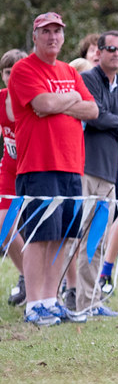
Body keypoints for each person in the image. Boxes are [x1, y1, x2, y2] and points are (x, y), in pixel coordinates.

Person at [10, 12, 98, 326]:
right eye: (45, 32)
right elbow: (41, 105)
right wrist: (69, 99)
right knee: (38, 235)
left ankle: (51, 299)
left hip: (71, 164)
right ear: (34, 36)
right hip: (38, 165)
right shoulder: (23, 69)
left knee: (62, 236)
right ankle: (34, 304)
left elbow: (92, 109)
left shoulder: (68, 72)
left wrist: (64, 99)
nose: (52, 37)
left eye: (57, 32)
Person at [76, 30, 118, 317]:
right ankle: (70, 300)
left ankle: (92, 301)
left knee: (98, 241)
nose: (115, 53)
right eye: (110, 48)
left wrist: (109, 119)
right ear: (98, 51)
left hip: (110, 175)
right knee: (78, 239)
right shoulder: (88, 79)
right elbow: (94, 115)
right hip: (86, 169)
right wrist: (116, 120)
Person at [1, 49, 28, 307]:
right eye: (8, 72)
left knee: (38, 230)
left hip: (34, 170)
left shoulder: (34, 100)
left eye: (17, 72)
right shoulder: (0, 99)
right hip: (9, 170)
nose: (12, 77)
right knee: (3, 225)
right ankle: (26, 278)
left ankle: (46, 284)